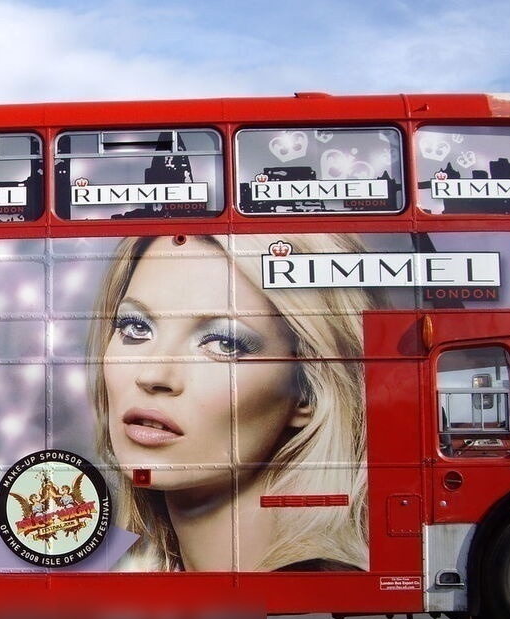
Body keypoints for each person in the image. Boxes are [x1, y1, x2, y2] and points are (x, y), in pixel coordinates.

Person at [87, 232, 378, 572]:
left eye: (224, 343)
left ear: (307, 392)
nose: (152, 374)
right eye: (136, 327)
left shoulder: (324, 582)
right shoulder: (132, 576)